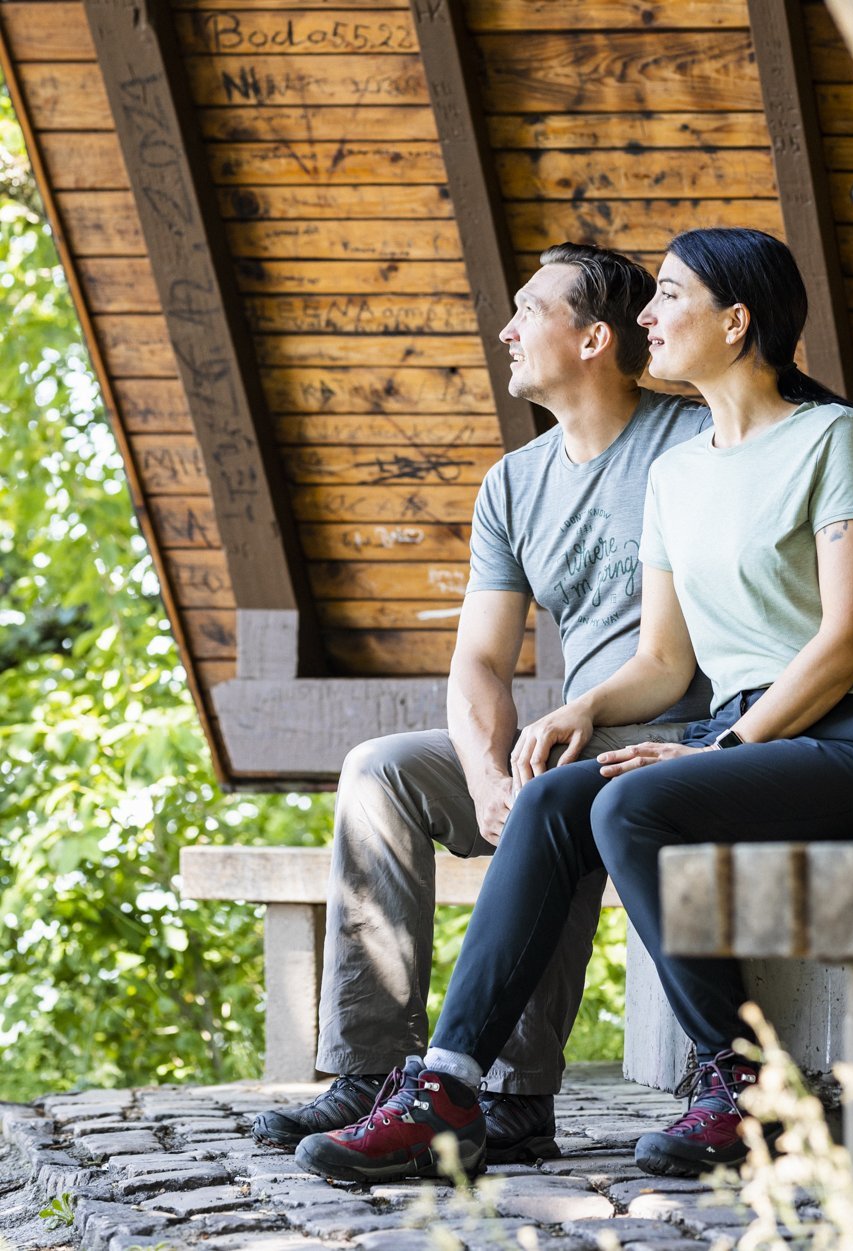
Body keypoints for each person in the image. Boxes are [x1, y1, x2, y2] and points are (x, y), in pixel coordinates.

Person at [292, 227, 853, 1184]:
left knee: (623, 799)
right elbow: (663, 655)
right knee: (562, 790)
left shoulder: (833, 439)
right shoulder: (681, 477)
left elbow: (846, 641)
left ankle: (746, 1086)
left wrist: (718, 746)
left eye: (669, 296)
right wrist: (581, 707)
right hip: (746, 741)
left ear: (736, 319)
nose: (647, 316)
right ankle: (447, 1090)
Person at [252, 242, 710, 1163]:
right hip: (569, 734)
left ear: (592, 337)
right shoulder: (513, 484)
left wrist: (527, 771)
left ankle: (511, 1094)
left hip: (682, 735)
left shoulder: (692, 440)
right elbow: (479, 663)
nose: (504, 329)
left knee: (554, 776)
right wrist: (481, 774)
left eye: (527, 311)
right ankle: (368, 1065)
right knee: (381, 770)